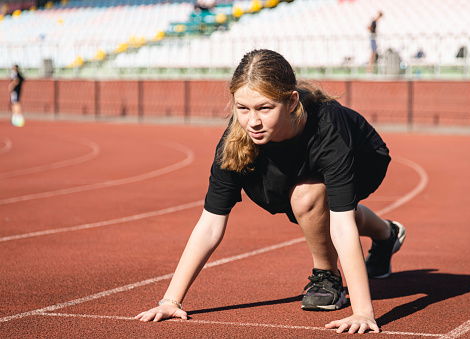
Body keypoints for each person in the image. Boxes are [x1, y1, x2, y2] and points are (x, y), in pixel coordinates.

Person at [135, 49, 406, 334]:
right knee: (313, 204)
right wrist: (170, 300)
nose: (252, 121)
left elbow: (341, 225)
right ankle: (387, 234)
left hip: (364, 157)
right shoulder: (237, 139)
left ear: (291, 101)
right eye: (242, 108)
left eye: (264, 108)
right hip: (285, 167)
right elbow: (211, 224)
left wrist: (363, 311)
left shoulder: (329, 130)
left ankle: (327, 277)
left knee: (311, 200)